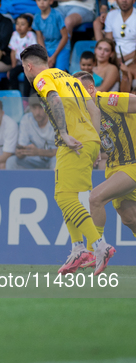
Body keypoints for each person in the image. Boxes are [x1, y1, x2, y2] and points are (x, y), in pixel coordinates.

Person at [20, 44, 114, 276]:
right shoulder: (68, 77)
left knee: (62, 197)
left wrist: (63, 132)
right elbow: (95, 111)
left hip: (71, 141)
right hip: (89, 141)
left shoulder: (42, 79)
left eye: (24, 68)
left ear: (29, 66)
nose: (25, 72)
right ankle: (78, 248)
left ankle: (99, 246)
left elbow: (54, 99)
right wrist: (94, 141)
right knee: (68, 195)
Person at [74, 71, 136, 266]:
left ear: (91, 89)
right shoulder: (84, 113)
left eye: (77, 90)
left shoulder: (108, 100)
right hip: (114, 168)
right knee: (129, 218)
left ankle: (95, 252)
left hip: (132, 164)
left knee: (95, 198)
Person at [6, 96, 57, 169]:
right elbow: (22, 146)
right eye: (34, 108)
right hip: (34, 159)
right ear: (30, 108)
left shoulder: (56, 120)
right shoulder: (26, 119)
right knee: (11, 161)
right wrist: (20, 152)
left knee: (57, 161)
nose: (37, 112)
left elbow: (64, 152)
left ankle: (54, 181)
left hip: (53, 159)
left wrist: (39, 152)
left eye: (41, 107)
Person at [33, 0, 70, 71]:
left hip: (61, 47)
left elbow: (65, 37)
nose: (42, 2)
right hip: (47, 47)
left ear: (51, 1)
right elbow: (39, 37)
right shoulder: (36, 17)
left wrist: (54, 56)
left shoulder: (57, 15)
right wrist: (46, 55)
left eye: (45, 0)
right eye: (39, 0)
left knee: (60, 74)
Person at [8, 14, 37, 97]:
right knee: (12, 73)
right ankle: (16, 96)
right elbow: (13, 52)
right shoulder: (14, 34)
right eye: (17, 24)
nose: (19, 26)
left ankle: (25, 98)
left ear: (29, 27)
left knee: (27, 74)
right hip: (21, 63)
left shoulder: (31, 35)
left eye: (23, 24)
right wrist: (13, 67)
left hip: (30, 64)